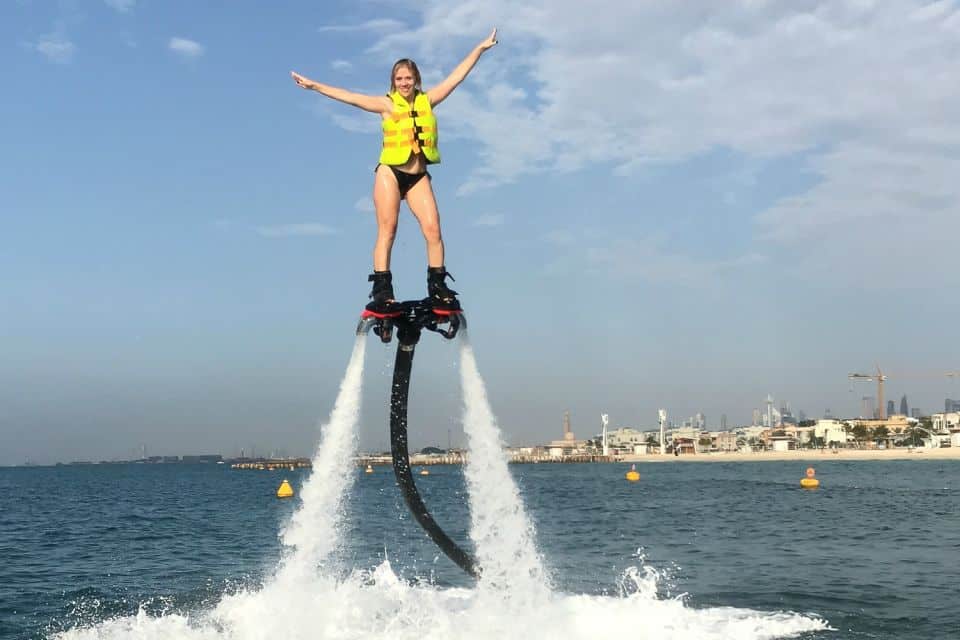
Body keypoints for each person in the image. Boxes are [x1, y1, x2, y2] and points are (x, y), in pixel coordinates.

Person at [291, 29, 498, 314]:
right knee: (388, 230)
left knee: (433, 228)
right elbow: (349, 97)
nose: (404, 83)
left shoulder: (428, 100)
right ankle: (382, 291)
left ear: (416, 80)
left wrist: (480, 48)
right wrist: (315, 86)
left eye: (408, 78)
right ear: (393, 81)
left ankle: (438, 286)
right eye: (399, 79)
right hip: (390, 173)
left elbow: (457, 76)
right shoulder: (385, 105)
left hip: (417, 176)